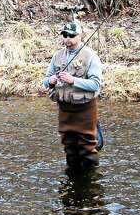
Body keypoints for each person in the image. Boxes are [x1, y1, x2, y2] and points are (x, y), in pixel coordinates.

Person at [42, 20, 103, 170]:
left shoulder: (90, 56)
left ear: (80, 35)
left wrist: (73, 80)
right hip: (65, 109)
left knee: (87, 149)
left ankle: (90, 182)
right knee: (69, 148)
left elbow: (96, 84)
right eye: (65, 35)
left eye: (71, 35)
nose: (67, 38)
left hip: (85, 109)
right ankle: (73, 180)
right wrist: (51, 80)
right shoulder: (57, 56)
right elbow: (44, 82)